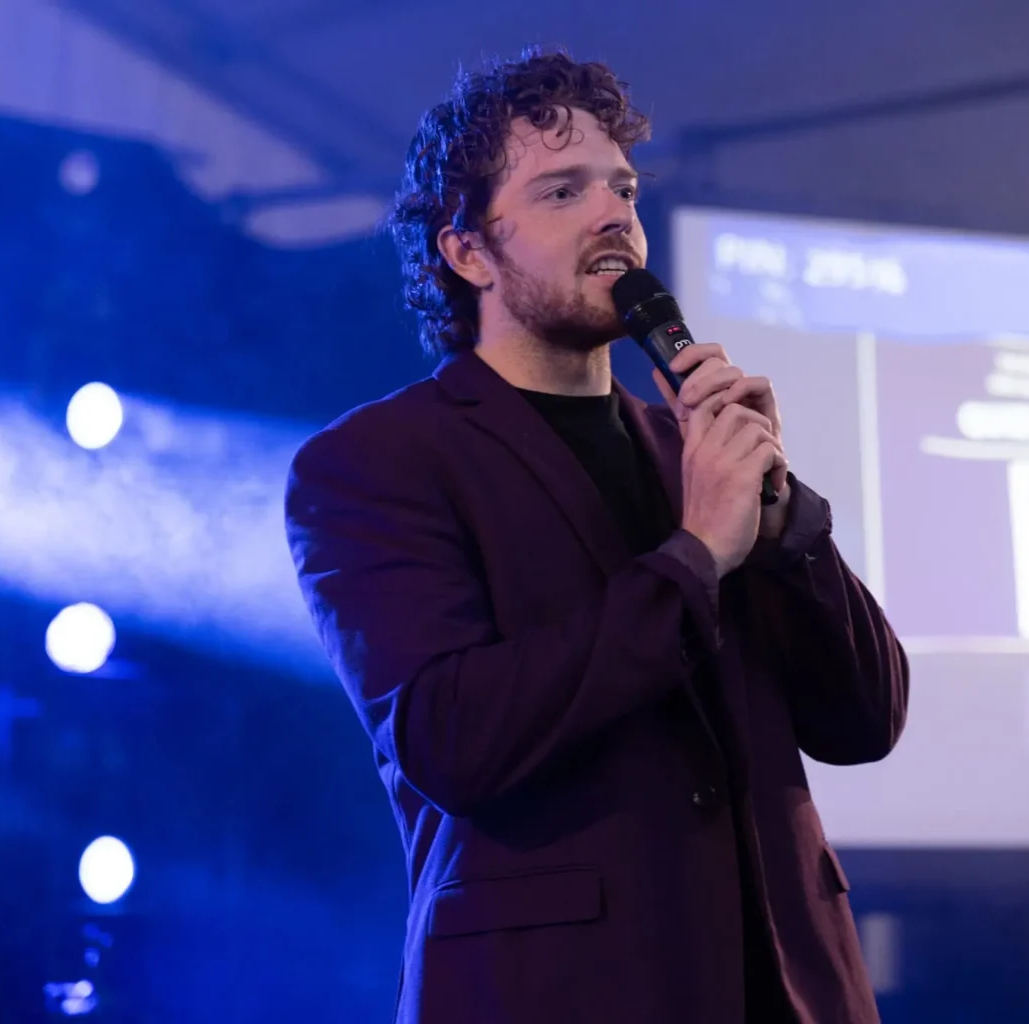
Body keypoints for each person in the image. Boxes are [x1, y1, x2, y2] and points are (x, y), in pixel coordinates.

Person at [284, 49, 908, 1024]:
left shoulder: (695, 449)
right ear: (468, 252)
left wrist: (782, 515)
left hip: (787, 991)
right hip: (563, 989)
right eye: (562, 191)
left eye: (622, 188)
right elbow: (453, 739)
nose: (613, 213)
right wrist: (695, 556)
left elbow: (865, 720)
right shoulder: (374, 465)